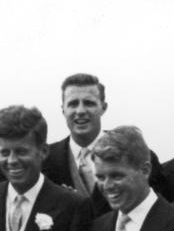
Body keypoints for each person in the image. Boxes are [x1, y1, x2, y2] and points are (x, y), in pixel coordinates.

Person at [42, 73, 166, 214]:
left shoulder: (136, 155)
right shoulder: (45, 161)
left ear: (104, 107)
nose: (81, 111)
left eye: (89, 103)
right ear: (63, 110)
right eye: (73, 104)